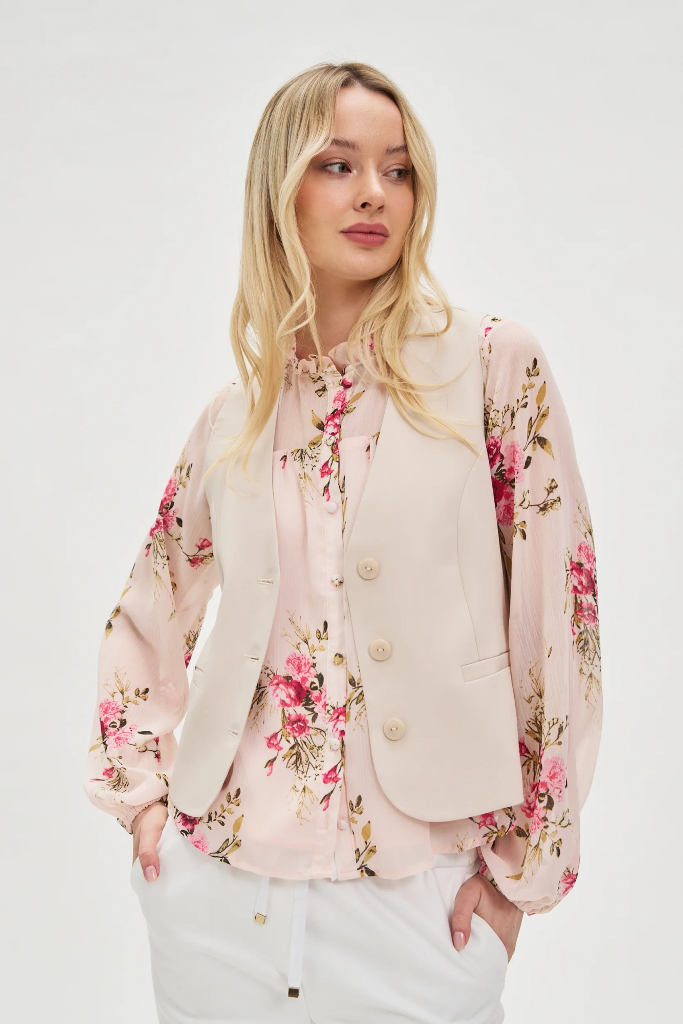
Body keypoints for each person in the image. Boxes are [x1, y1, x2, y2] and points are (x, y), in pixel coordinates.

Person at [84, 62, 602, 1024]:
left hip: (422, 907)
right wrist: (143, 798)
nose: (374, 193)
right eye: (337, 164)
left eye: (397, 170)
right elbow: (149, 610)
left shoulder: (493, 367)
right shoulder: (235, 415)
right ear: (278, 189)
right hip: (216, 896)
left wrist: (522, 876)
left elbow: (555, 626)